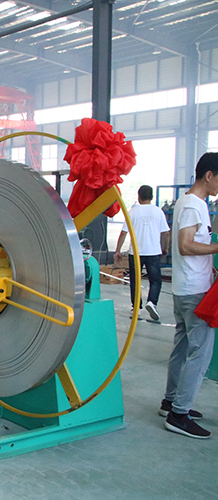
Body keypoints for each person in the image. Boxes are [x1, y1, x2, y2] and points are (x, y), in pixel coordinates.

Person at [161, 152, 218, 439]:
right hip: (194, 291)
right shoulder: (195, 205)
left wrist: (209, 264)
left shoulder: (186, 202)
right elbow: (185, 246)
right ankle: (179, 415)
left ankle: (170, 401)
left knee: (182, 347)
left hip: (184, 287)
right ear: (209, 175)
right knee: (200, 353)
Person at [114, 185, 170, 320]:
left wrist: (118, 250)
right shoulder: (158, 212)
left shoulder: (133, 212)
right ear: (152, 197)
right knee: (155, 280)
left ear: (138, 196)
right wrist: (166, 248)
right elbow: (166, 233)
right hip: (153, 252)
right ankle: (152, 302)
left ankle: (136, 307)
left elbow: (123, 233)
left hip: (136, 253)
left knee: (135, 280)